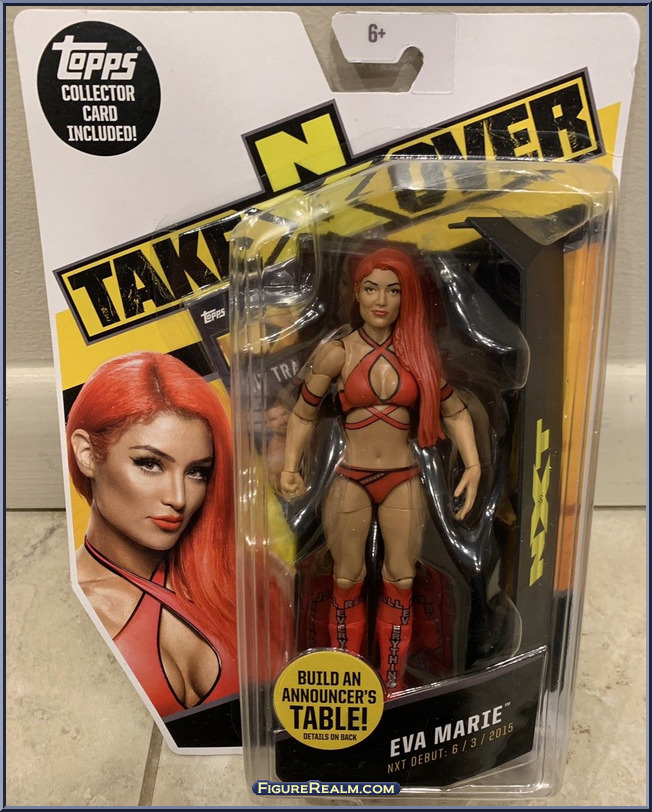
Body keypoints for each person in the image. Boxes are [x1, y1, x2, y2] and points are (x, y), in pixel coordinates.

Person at [279, 247, 482, 693]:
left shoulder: (419, 355)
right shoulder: (336, 354)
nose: (381, 300)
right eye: (371, 288)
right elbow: (303, 413)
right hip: (349, 477)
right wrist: (291, 465)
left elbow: (454, 410)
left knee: (401, 579)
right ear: (356, 292)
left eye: (393, 290)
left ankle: (392, 688)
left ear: (406, 297)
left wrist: (473, 463)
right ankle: (347, 685)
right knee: (346, 578)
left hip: (403, 478)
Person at [66, 351, 238, 719]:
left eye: (197, 472)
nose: (178, 498)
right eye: (150, 464)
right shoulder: (63, 608)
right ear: (87, 455)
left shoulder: (240, 577)